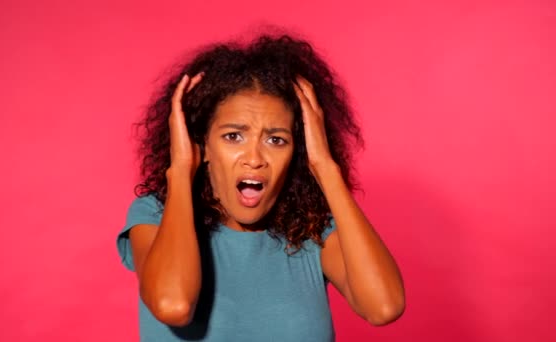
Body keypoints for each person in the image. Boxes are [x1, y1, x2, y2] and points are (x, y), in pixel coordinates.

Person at [116, 33, 405, 341]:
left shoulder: (312, 230)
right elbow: (173, 305)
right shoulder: (155, 215)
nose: (254, 159)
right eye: (233, 137)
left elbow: (383, 307)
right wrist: (181, 171)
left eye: (276, 140)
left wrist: (325, 167)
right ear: (202, 144)